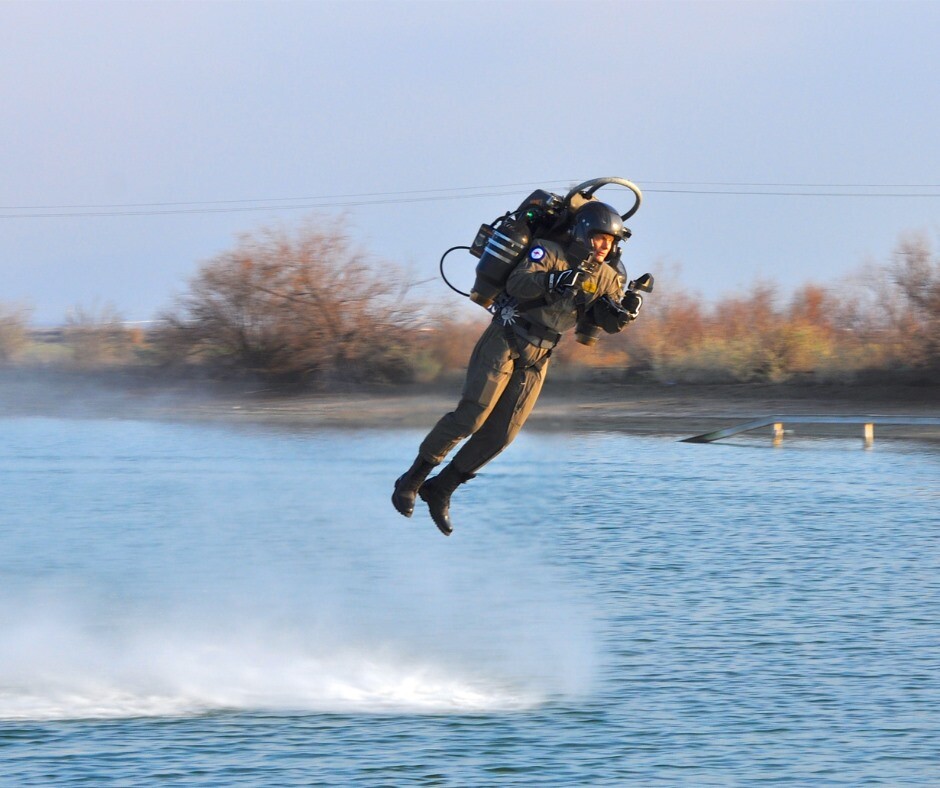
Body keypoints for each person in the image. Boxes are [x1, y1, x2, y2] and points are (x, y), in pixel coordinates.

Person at [392, 200, 643, 536]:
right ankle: (412, 480)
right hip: (508, 335)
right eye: (599, 237)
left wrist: (624, 313)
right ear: (583, 232)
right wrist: (556, 280)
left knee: (502, 434)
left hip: (540, 355)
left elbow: (601, 321)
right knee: (472, 415)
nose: (604, 246)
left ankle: (441, 489)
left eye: (610, 242)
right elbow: (518, 284)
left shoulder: (609, 277)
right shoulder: (547, 251)